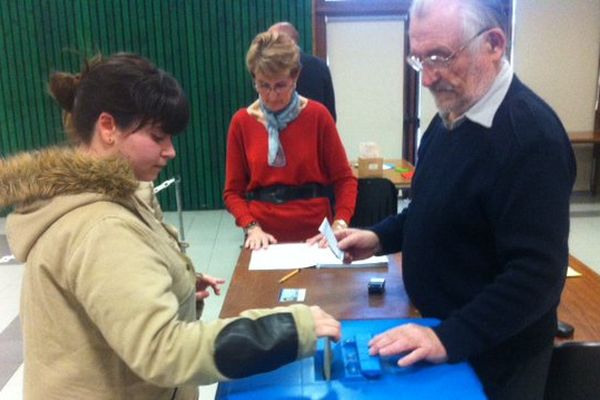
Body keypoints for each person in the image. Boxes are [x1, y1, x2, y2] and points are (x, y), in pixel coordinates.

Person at [0, 53, 340, 400]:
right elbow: (165, 351)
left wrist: (174, 283)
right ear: (108, 128)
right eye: (158, 136)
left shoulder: (114, 197)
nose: (170, 151)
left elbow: (111, 287)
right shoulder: (101, 226)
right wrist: (292, 329)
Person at [331, 1, 576, 399]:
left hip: (494, 356)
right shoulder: (452, 114)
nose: (427, 77)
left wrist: (449, 337)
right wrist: (378, 238)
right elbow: (431, 210)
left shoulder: (532, 139)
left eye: (439, 57)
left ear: (494, 44)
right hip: (440, 331)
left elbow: (537, 276)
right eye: (418, 58)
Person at [224, 31, 357, 249]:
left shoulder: (317, 116)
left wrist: (339, 224)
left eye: (280, 85)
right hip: (263, 235)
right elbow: (232, 192)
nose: (272, 95)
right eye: (263, 85)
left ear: (295, 77)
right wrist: (251, 227)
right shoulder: (242, 122)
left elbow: (345, 179)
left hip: (316, 234)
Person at [269, 21, 337, 121]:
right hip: (316, 131)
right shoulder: (320, 66)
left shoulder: (270, 69)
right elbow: (331, 116)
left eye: (271, 43)